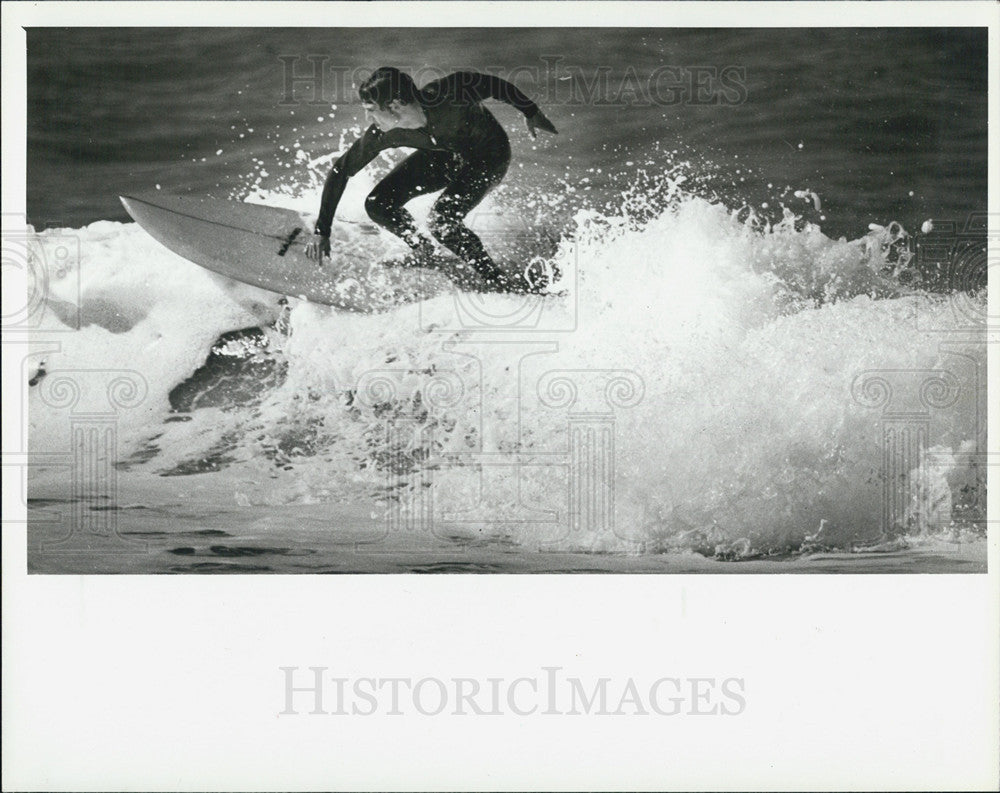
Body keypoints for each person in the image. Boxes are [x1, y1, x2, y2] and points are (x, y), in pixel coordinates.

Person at [304, 67, 558, 289]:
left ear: (394, 106)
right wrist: (321, 231)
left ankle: (495, 279)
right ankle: (424, 250)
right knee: (378, 203)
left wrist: (530, 112)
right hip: (445, 156)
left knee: (442, 221)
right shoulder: (384, 133)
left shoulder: (451, 94)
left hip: (489, 155)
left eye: (371, 111)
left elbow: (494, 85)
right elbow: (341, 170)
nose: (368, 119)